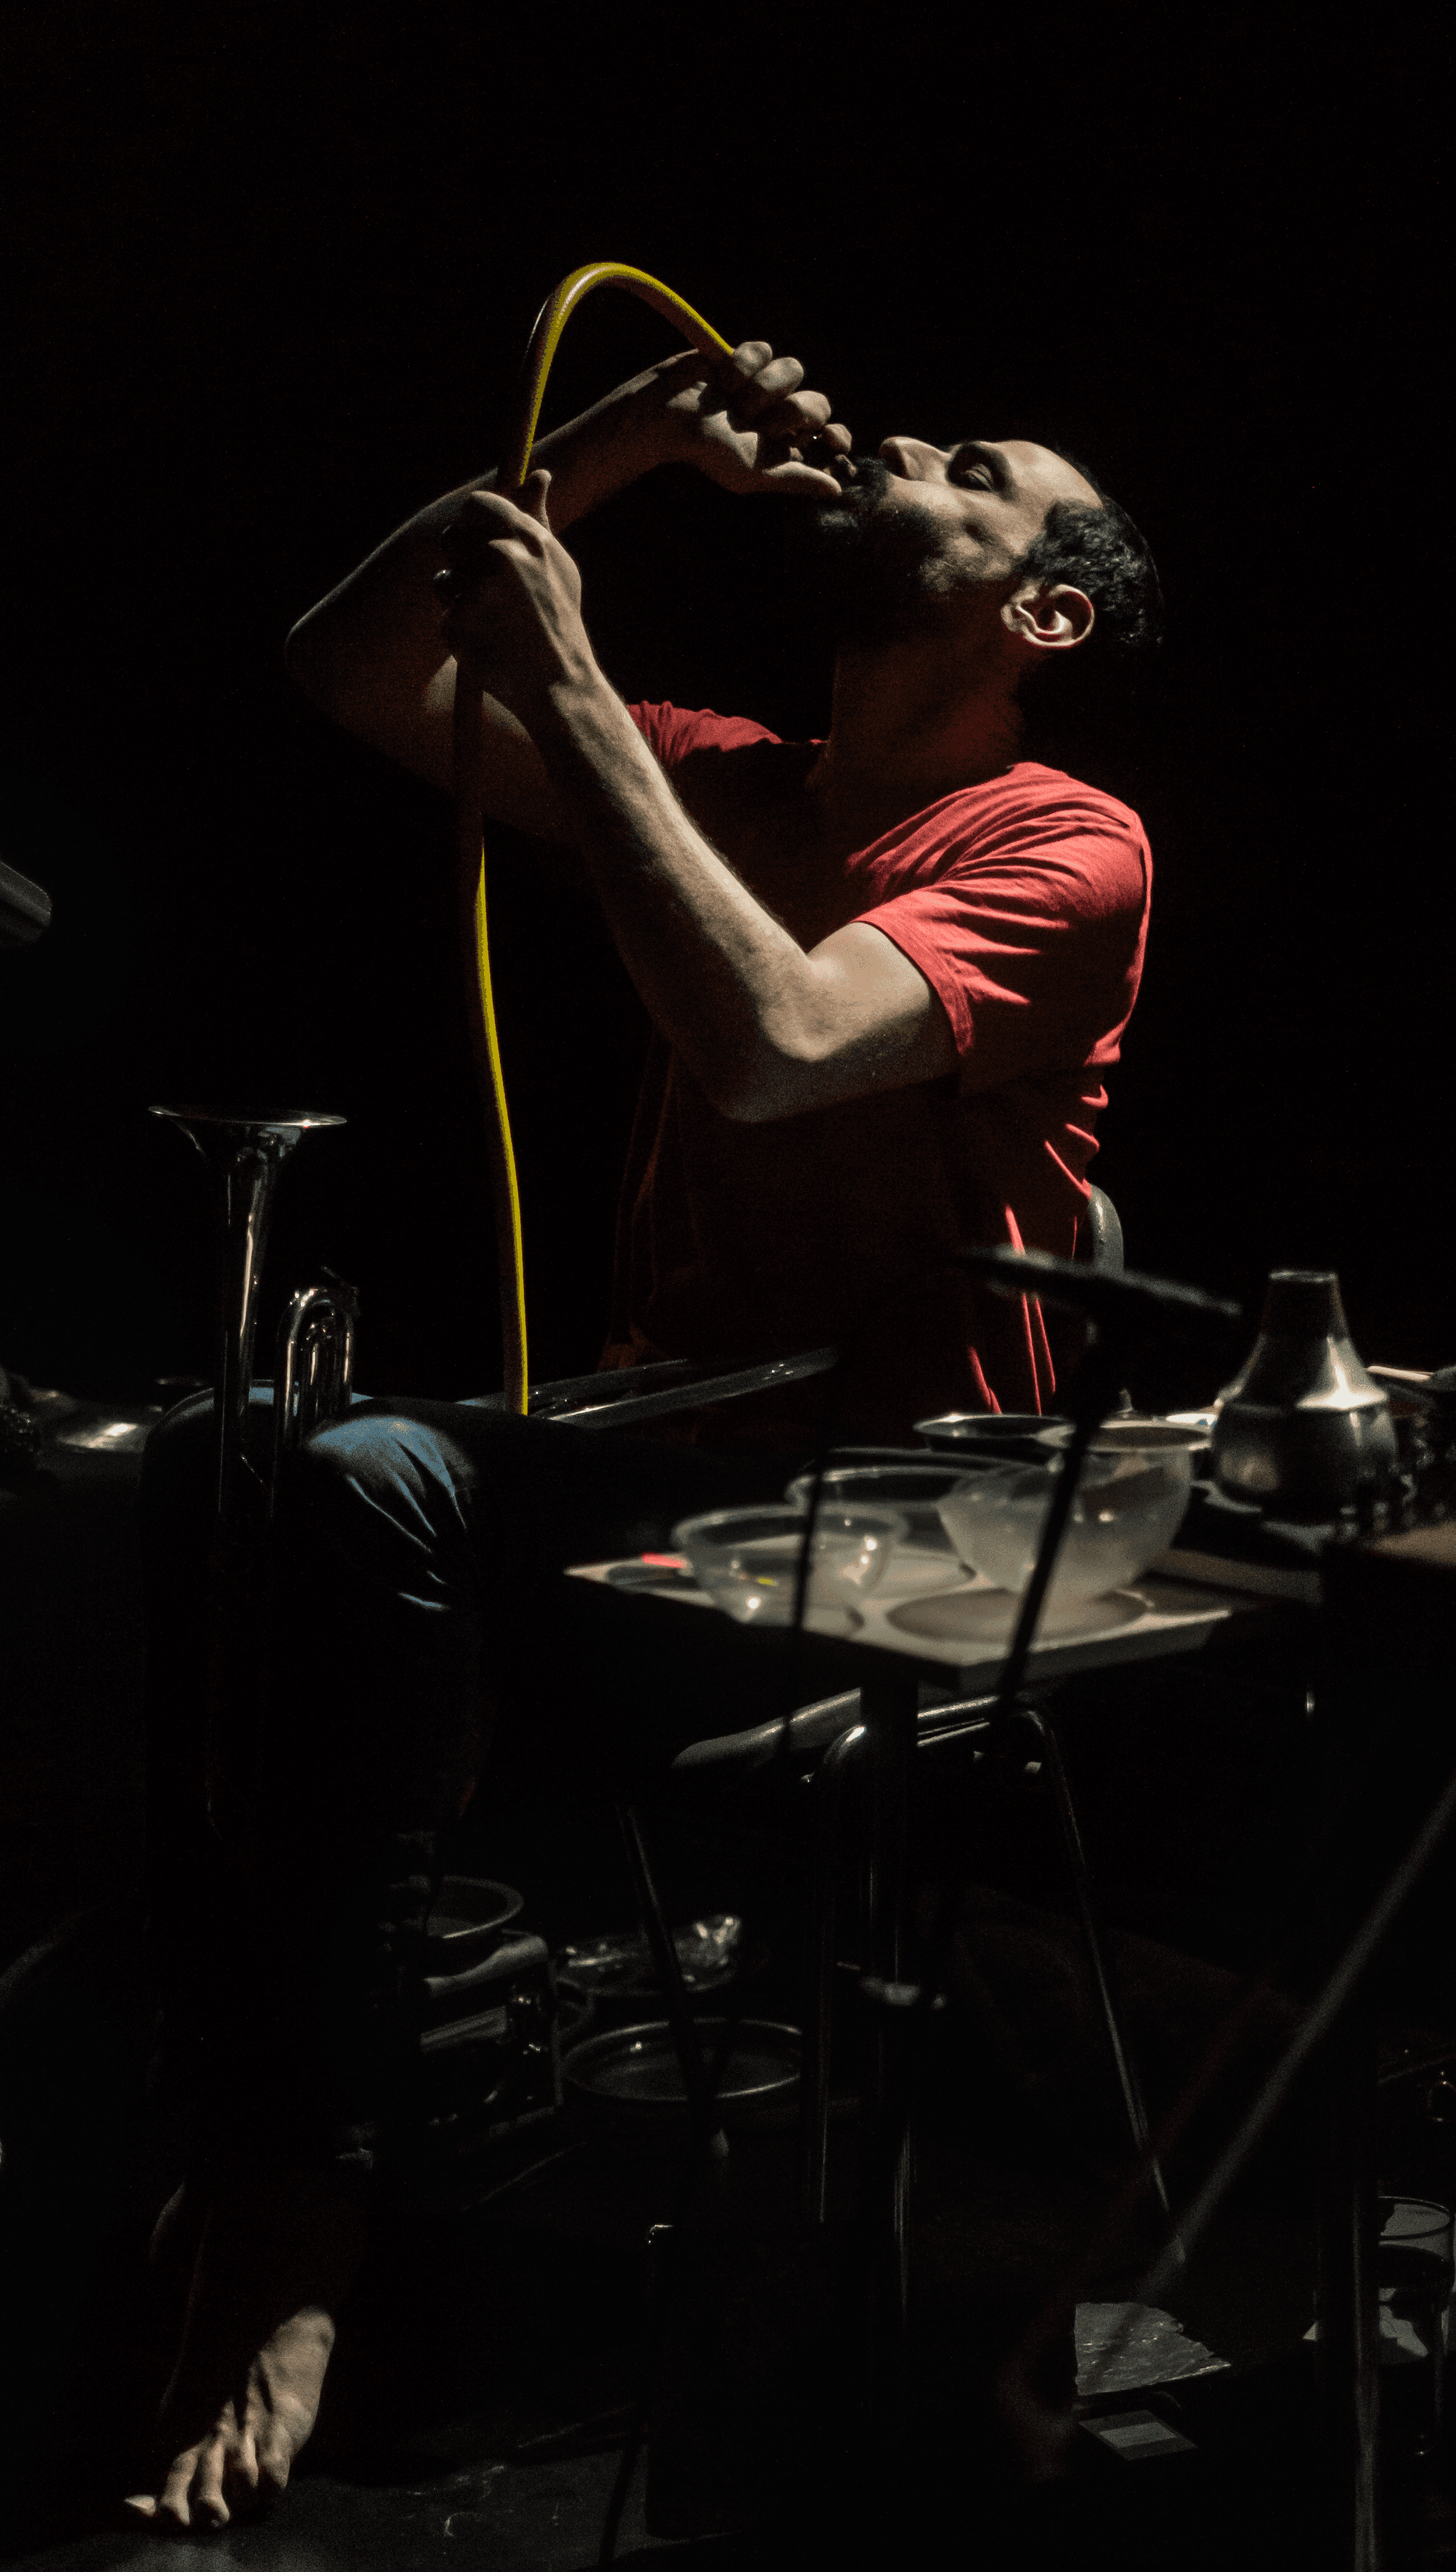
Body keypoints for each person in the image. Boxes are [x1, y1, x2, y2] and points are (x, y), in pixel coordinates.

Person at [126, 335, 1162, 2525]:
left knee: (368, 1479)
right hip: (682, 1475)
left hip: (905, 1534)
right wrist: (610, 452)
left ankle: (307, 2239)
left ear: (1042, 609)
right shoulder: (744, 772)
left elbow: (782, 1042)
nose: (906, 441)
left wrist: (582, 692)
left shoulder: (1068, 841)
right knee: (232, 1474)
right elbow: (348, 662)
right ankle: (249, 2201)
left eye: (974, 464)